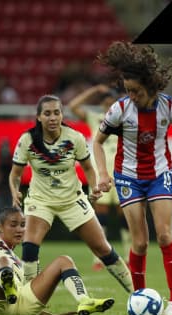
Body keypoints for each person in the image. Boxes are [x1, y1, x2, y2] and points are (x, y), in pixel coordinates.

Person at [93, 42, 172, 315]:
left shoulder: (169, 106)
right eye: (127, 90)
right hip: (128, 177)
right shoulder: (120, 109)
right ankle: (139, 299)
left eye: (135, 90)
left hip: (160, 174)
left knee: (164, 235)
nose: (131, 95)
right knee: (139, 243)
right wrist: (102, 174)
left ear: (149, 86)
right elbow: (97, 142)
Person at [7, 95, 133, 295]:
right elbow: (15, 174)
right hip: (40, 201)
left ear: (61, 114)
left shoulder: (74, 137)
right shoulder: (27, 140)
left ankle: (136, 293)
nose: (53, 117)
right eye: (47, 113)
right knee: (29, 247)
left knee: (103, 249)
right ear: (38, 117)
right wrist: (15, 190)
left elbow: (88, 168)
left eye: (56, 112)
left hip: (72, 200)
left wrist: (94, 189)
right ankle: (27, 297)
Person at [69, 83, 128, 253]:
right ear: (102, 104)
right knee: (100, 217)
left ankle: (129, 255)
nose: (109, 105)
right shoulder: (95, 118)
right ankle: (100, 256)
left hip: (122, 171)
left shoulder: (124, 118)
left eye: (112, 102)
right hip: (100, 171)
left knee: (125, 216)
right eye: (106, 102)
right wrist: (94, 90)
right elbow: (73, 106)